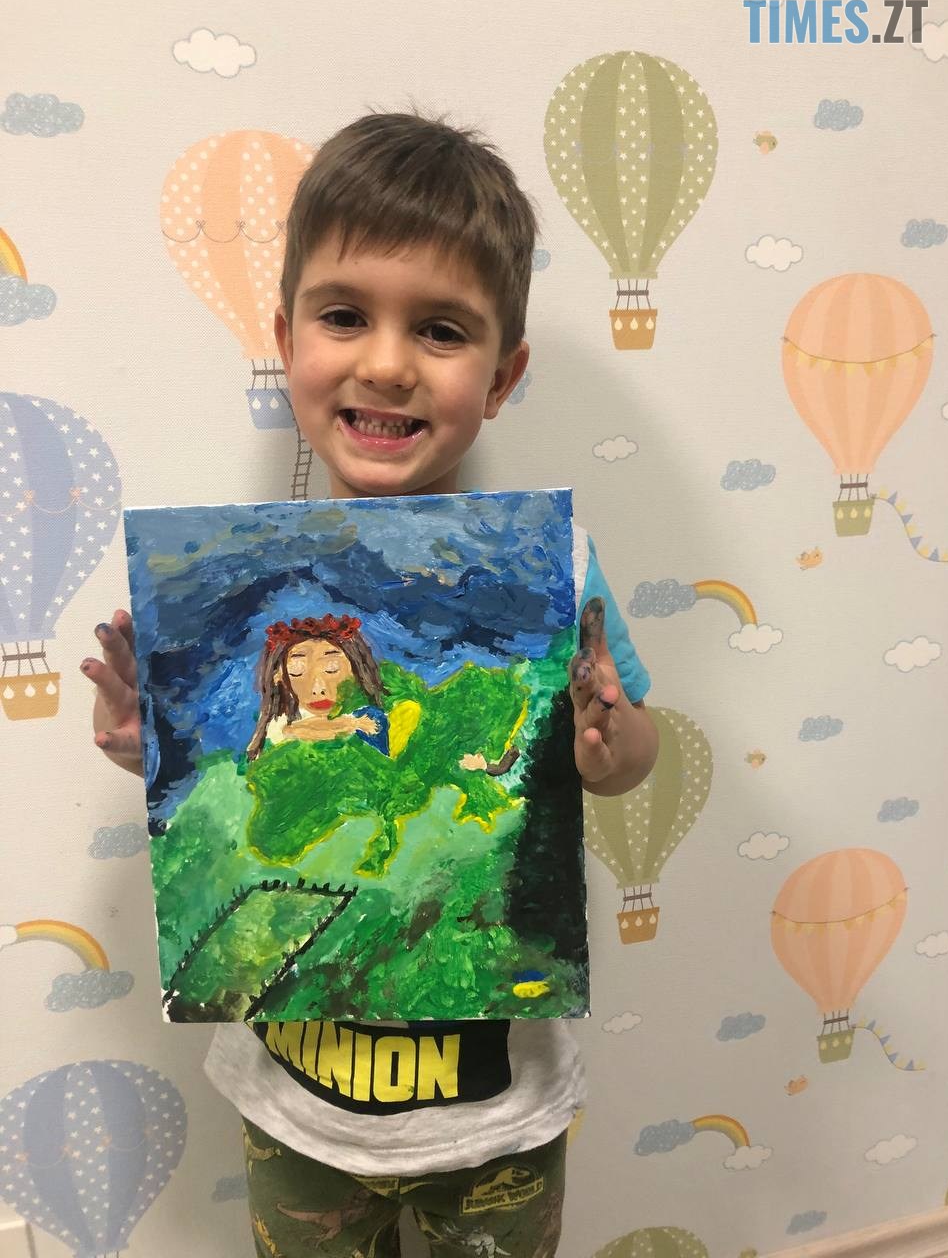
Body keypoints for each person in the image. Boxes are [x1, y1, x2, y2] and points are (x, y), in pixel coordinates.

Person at [81, 106, 660, 1258]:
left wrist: (609, 740)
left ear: (503, 375)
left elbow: (628, 748)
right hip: (295, 1106)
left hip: (498, 1105)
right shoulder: (232, 581)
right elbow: (221, 793)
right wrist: (153, 745)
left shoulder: (556, 566)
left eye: (440, 329)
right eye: (345, 315)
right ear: (285, 337)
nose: (388, 362)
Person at [246, 613, 391, 761]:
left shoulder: (372, 716)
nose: (318, 688)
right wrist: (351, 725)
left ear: (357, 669)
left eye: (332, 668)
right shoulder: (276, 725)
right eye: (297, 670)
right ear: (278, 676)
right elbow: (292, 731)